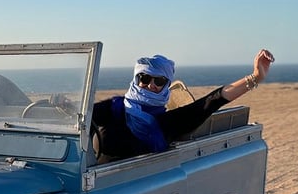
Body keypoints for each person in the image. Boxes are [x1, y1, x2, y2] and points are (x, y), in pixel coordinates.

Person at [91, 49, 275, 161]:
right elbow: (81, 117)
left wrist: (256, 77)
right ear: (136, 78)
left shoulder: (169, 123)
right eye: (145, 78)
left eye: (159, 81)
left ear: (167, 85)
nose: (150, 85)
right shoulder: (116, 108)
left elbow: (214, 99)